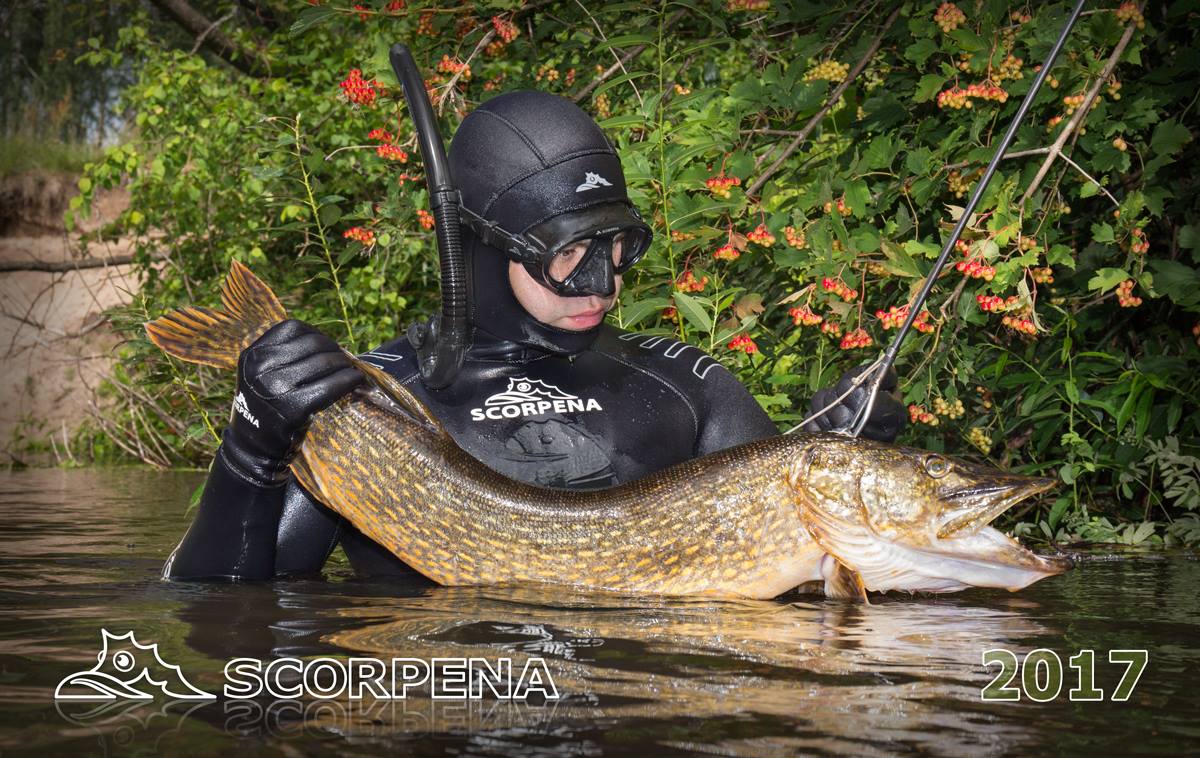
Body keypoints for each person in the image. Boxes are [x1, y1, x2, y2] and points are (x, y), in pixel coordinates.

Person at [163, 90, 904, 582]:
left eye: (618, 246)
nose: (603, 284)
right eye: (567, 252)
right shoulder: (372, 403)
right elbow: (224, 613)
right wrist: (250, 450)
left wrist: (851, 466)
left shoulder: (688, 385)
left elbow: (806, 584)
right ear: (484, 247)